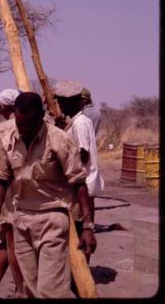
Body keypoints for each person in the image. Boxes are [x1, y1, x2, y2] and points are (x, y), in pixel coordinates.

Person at [0, 92, 97, 298]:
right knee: (31, 289)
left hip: (52, 219)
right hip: (21, 220)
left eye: (30, 125)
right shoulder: (7, 138)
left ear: (41, 116)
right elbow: (0, 179)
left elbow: (78, 183)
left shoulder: (59, 140)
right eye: (20, 124)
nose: (24, 130)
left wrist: (87, 226)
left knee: (51, 291)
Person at [55, 81, 104, 262]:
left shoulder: (80, 124)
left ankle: (81, 277)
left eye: (60, 101)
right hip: (78, 182)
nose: (59, 105)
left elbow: (82, 154)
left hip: (81, 183)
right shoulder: (75, 122)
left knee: (80, 229)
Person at [0, 89, 24, 297]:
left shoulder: (3, 129)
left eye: (0, 107)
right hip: (29, 191)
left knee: (11, 243)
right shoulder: (44, 124)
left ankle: (21, 289)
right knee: (8, 243)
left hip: (12, 193)